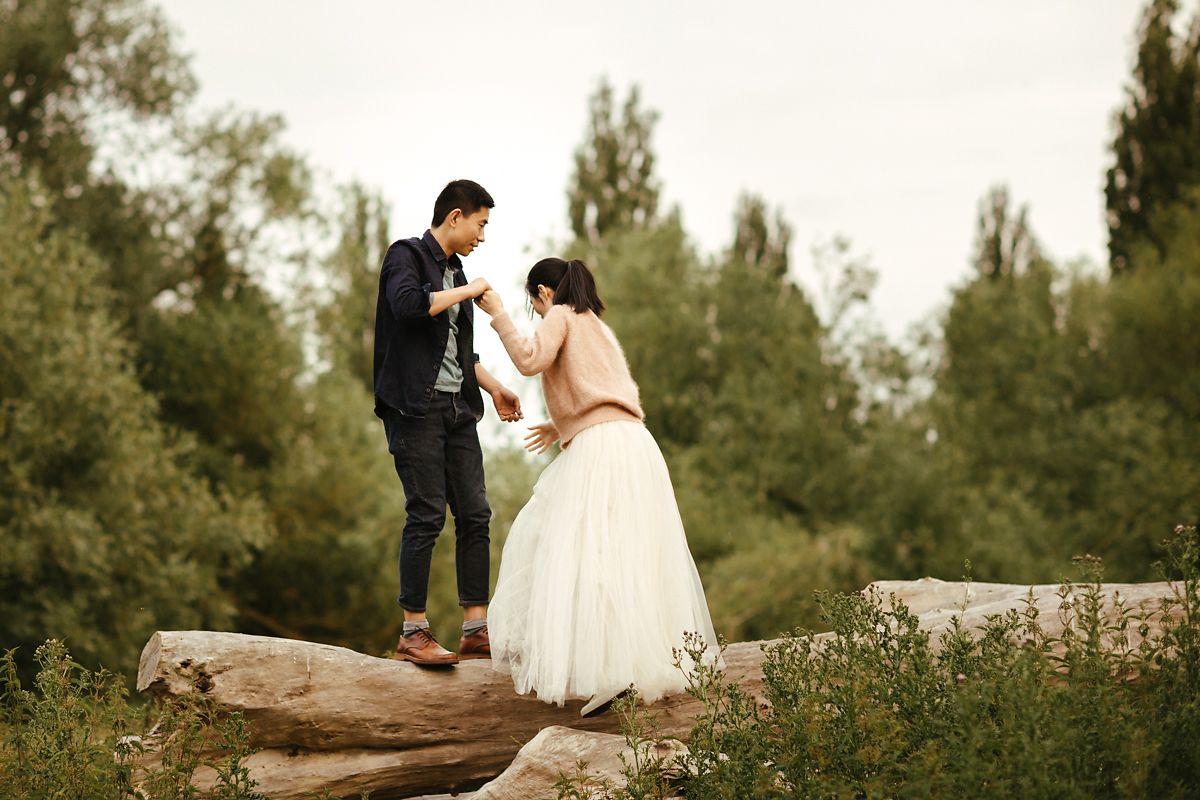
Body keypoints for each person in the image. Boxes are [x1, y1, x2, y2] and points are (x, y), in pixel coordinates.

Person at [474, 257, 720, 714]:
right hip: (633, 444)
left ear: (544, 293)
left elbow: (531, 361)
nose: (538, 315)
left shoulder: (563, 315)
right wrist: (560, 424)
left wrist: (499, 315)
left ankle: (614, 669)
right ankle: (630, 664)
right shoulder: (595, 325)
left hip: (603, 448)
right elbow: (602, 391)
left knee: (575, 545)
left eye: (535, 306)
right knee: (626, 552)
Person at [373, 179, 523, 666]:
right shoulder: (406, 256)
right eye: (480, 224)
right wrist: (469, 289)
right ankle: (413, 631)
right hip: (414, 410)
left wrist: (494, 385)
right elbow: (409, 306)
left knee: (476, 513)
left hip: (459, 410)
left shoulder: (457, 270)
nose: (482, 235)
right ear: (455, 217)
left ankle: (476, 630)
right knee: (426, 513)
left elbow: (459, 353)